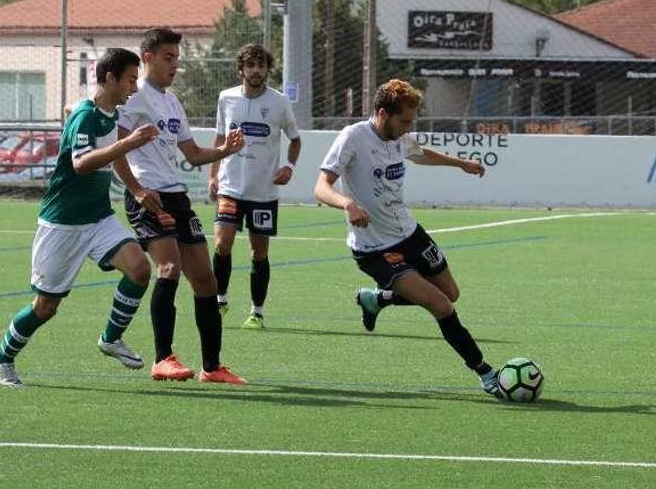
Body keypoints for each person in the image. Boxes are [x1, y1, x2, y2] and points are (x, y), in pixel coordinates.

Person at [313, 79, 502, 397]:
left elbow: (420, 152)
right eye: (404, 121)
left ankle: (377, 299)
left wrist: (460, 164)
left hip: (411, 233)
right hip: (375, 248)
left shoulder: (399, 137)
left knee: (451, 293)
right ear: (383, 114)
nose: (408, 127)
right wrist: (348, 204)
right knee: (441, 306)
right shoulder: (353, 138)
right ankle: (485, 372)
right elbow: (320, 187)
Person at [0, 48, 159, 388]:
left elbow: (93, 131)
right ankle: (2, 359)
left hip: (97, 218)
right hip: (62, 224)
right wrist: (127, 144)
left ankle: (111, 338)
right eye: (129, 79)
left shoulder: (107, 113)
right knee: (45, 307)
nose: (135, 87)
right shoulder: (86, 116)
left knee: (140, 269)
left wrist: (137, 188)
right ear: (109, 78)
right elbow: (82, 164)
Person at [115, 28, 247, 384]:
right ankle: (163, 358)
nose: (175, 65)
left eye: (177, 58)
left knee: (205, 279)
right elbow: (116, 150)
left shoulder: (172, 102)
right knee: (169, 267)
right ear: (147, 58)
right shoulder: (134, 97)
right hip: (149, 196)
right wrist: (137, 189)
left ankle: (212, 366)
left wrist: (225, 151)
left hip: (176, 195)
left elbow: (191, 153)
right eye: (168, 57)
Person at [208, 43, 301, 330]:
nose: (256, 70)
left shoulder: (279, 102)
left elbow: (295, 139)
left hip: (263, 192)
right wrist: (213, 175)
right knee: (222, 243)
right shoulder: (227, 98)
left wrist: (289, 167)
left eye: (261, 65)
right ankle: (219, 300)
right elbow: (220, 138)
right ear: (241, 69)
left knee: (258, 252)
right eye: (251, 65)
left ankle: (256, 312)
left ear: (267, 70)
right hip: (230, 186)